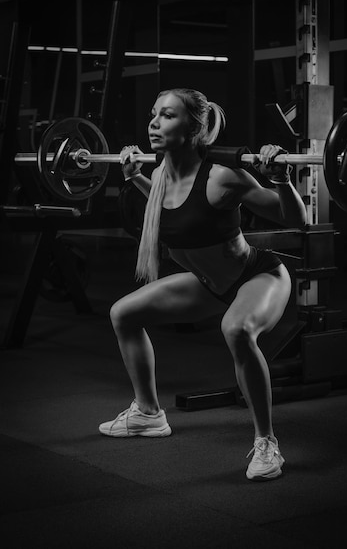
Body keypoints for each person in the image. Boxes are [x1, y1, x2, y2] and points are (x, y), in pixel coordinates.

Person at [99, 88, 307, 481]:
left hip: (258, 276)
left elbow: (295, 220)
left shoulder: (223, 177)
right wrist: (137, 178)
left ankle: (266, 443)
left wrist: (281, 179)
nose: (154, 123)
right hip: (210, 283)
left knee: (237, 329)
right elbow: (174, 213)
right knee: (123, 313)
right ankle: (147, 413)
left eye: (168, 116)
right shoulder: (160, 174)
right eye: (153, 114)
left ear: (193, 129)